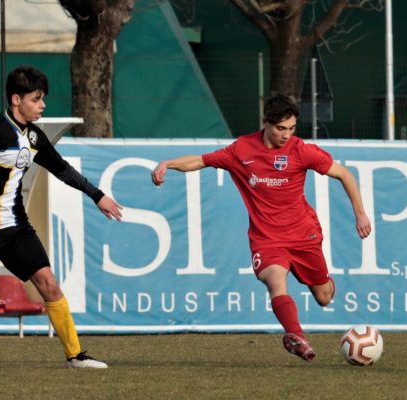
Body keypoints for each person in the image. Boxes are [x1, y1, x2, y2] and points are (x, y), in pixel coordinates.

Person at [0, 65, 122, 369]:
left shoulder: (34, 137)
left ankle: (75, 356)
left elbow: (62, 169)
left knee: (49, 284)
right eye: (36, 99)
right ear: (17, 100)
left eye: (42, 99)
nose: (42, 105)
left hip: (16, 227)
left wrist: (98, 195)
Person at [151, 94, 371, 362]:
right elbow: (199, 160)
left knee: (324, 297)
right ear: (265, 122)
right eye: (280, 128)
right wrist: (168, 164)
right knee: (276, 282)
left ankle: (318, 284)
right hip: (267, 239)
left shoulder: (301, 150)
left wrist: (360, 214)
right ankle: (297, 337)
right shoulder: (242, 150)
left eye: (291, 128)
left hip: (304, 235)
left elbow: (344, 174)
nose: (286, 135)